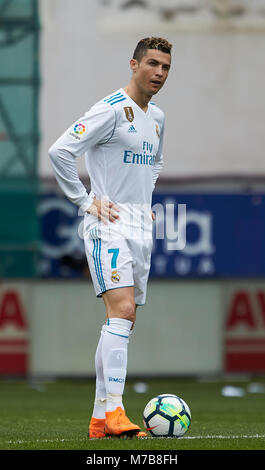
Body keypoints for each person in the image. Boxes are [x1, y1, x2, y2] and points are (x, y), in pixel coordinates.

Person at [48, 36, 172, 439]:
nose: (159, 72)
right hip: (108, 225)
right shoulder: (110, 111)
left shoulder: (158, 117)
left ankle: (100, 418)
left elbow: (155, 162)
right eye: (152, 63)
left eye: (166, 66)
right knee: (122, 312)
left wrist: (144, 201)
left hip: (140, 225)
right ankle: (117, 412)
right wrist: (85, 202)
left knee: (122, 320)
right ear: (133, 65)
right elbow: (61, 151)